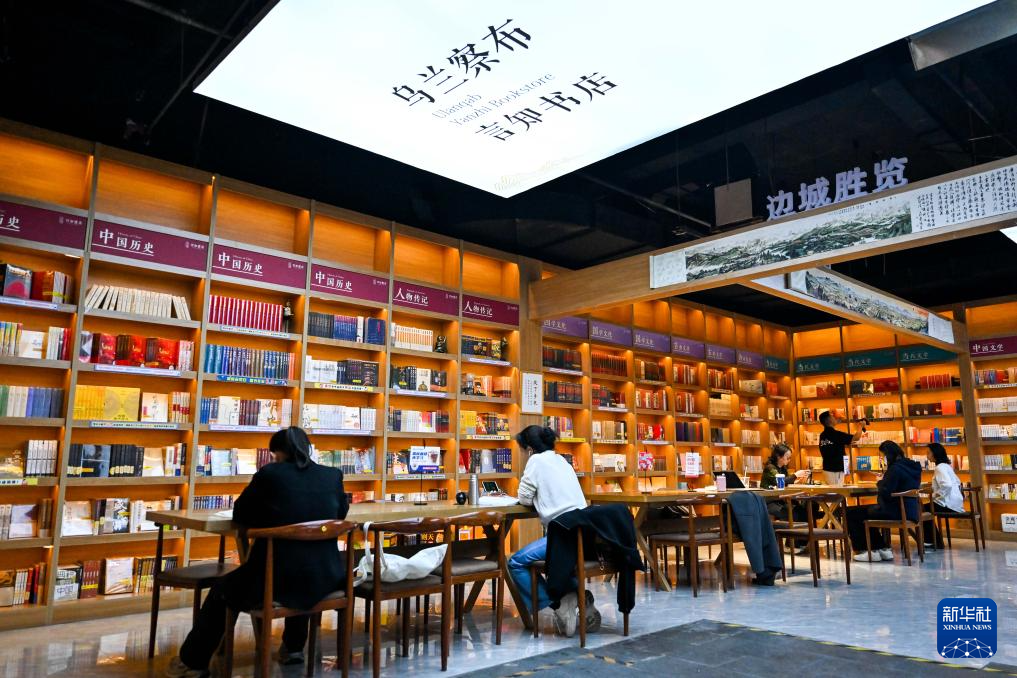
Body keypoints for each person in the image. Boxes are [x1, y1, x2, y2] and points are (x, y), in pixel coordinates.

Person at [166, 427, 349, 677]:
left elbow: (241, 514)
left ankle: (192, 661)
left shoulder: (270, 474)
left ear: (279, 453)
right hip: (326, 577)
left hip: (275, 581)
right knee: (303, 569)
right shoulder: (332, 475)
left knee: (223, 589)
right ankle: (293, 648)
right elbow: (340, 514)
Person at [508, 425, 595, 638]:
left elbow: (525, 498)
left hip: (563, 534)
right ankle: (575, 594)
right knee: (554, 559)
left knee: (515, 562)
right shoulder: (562, 460)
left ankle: (559, 604)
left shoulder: (535, 461)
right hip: (584, 533)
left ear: (529, 449)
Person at [844, 440, 922, 562]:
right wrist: (885, 479)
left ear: (888, 455)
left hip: (894, 510)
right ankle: (882, 548)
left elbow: (886, 492)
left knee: (851, 513)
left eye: (882, 456)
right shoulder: (912, 466)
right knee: (864, 513)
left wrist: (880, 482)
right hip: (910, 510)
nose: (882, 459)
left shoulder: (895, 469)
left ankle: (867, 550)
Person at [761, 443, 809, 555]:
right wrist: (796, 475)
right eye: (787, 457)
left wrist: (796, 481)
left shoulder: (783, 468)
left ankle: (800, 543)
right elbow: (780, 482)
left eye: (790, 458)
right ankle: (790, 544)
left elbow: (785, 484)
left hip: (780, 499)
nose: (789, 460)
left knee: (802, 509)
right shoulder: (770, 468)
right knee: (794, 512)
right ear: (779, 456)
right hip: (769, 502)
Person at [925, 442, 965, 548]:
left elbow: (947, 485)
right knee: (924, 509)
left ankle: (933, 541)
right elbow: (957, 482)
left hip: (948, 505)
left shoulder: (939, 468)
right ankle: (935, 540)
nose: (927, 456)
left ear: (935, 454)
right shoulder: (946, 466)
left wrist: (935, 495)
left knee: (920, 510)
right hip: (956, 504)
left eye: (928, 453)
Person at [818, 411, 866, 486]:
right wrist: (860, 426)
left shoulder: (822, 435)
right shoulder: (836, 434)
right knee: (837, 491)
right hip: (835, 471)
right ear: (829, 420)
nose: (834, 418)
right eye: (832, 416)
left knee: (831, 491)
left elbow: (835, 448)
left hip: (827, 469)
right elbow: (856, 437)